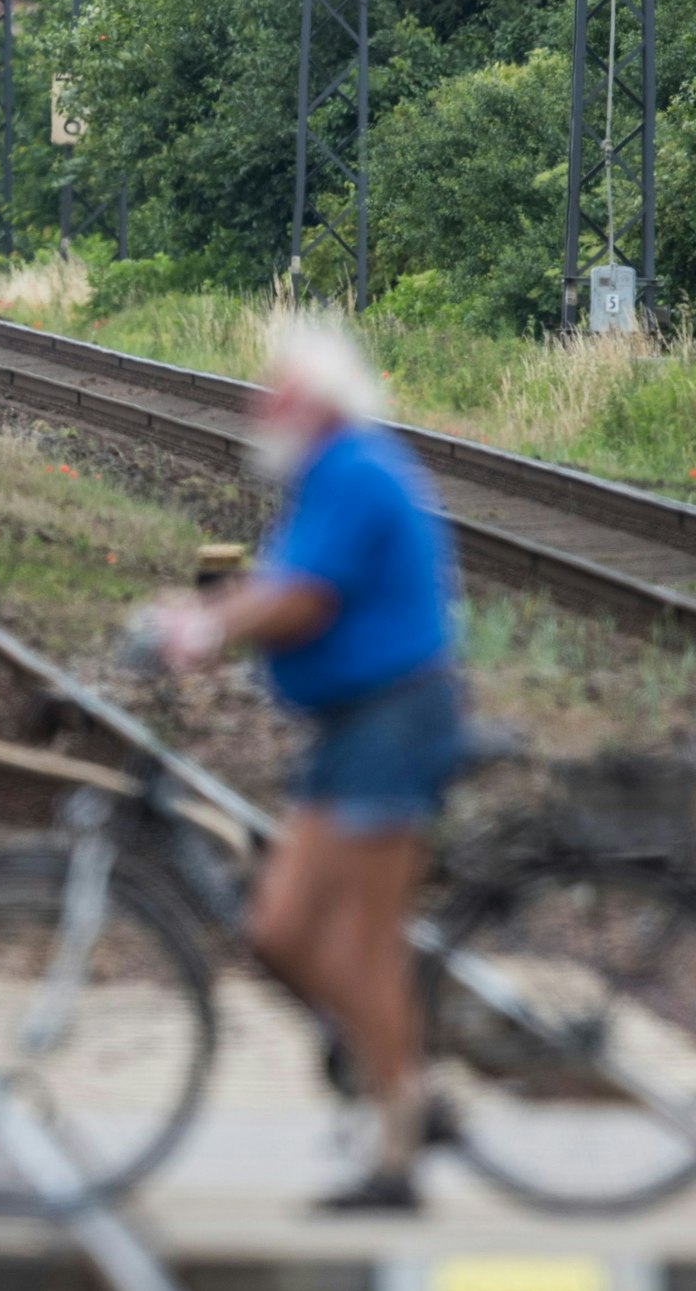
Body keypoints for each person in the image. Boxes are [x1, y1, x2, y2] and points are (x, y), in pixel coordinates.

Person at [150, 319, 465, 1212]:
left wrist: (208, 628)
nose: (261, 406)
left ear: (318, 400)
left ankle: (398, 1147)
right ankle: (400, 1075)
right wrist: (198, 614)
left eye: (276, 392)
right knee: (281, 929)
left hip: (394, 720)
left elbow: (300, 597)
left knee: (366, 950)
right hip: (350, 727)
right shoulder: (324, 475)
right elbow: (279, 584)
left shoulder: (356, 471)